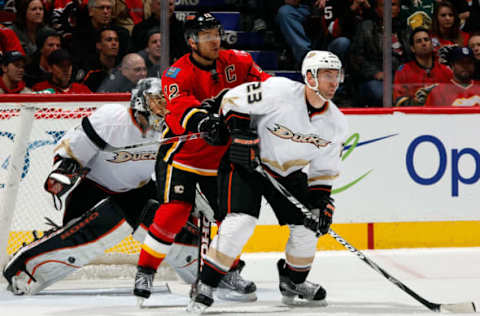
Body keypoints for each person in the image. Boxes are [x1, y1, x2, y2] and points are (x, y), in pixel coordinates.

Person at [2, 78, 210, 295]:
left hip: (139, 190)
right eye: (157, 101)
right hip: (94, 189)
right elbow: (73, 147)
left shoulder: (172, 127)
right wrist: (65, 167)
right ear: (141, 102)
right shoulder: (112, 119)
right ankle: (23, 270)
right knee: (81, 238)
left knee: (169, 224)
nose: (163, 108)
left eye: (166, 102)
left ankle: (207, 274)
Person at [187, 50, 348, 313]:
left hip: (288, 175)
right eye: (327, 75)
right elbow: (232, 100)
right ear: (310, 76)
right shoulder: (279, 91)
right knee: (240, 223)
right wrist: (240, 134)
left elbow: (323, 169)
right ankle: (205, 285)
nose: (334, 81)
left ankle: (293, 281)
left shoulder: (337, 123)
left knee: (309, 227)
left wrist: (320, 201)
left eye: (337, 75)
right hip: (247, 165)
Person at [133, 12, 271, 305]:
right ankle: (145, 270)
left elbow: (267, 87)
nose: (214, 40)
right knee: (175, 212)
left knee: (230, 220)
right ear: (191, 41)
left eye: (216, 33)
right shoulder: (176, 73)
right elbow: (179, 107)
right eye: (206, 35)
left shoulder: (239, 62)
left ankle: (227, 270)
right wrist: (205, 123)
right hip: (183, 157)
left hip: (221, 160)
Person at [393, 27, 452, 106]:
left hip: (442, 115)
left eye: (426, 40)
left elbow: (454, 98)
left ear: (432, 45)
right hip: (415, 116)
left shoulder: (445, 70)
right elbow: (398, 101)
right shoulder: (404, 71)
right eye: (419, 41)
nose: (424, 43)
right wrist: (414, 102)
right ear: (412, 48)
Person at [78, 27, 120, 91]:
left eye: (116, 40)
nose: (114, 43)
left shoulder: (123, 69)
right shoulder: (90, 71)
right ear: (99, 45)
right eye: (109, 40)